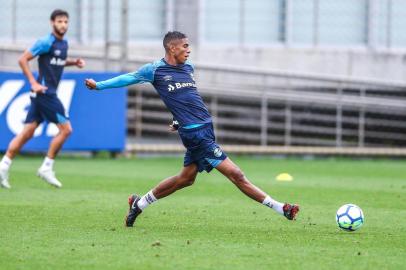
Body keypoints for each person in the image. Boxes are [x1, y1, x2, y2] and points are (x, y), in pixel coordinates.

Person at [84, 31, 299, 227]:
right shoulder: (155, 70)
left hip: (205, 128)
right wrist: (99, 85)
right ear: (172, 48)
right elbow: (128, 78)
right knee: (236, 174)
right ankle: (282, 209)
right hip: (196, 135)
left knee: (185, 179)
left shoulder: (189, 68)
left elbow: (185, 99)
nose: (188, 50)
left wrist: (178, 120)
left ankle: (138, 204)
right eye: (185, 46)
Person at [0, 9, 85, 189]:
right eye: (60, 21)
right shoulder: (46, 41)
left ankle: (3, 167)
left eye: (65, 22)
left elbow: (58, 59)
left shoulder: (63, 43)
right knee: (66, 129)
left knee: (27, 132)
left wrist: (73, 62)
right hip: (45, 93)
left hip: (43, 95)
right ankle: (46, 167)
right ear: (52, 23)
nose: (63, 25)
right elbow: (23, 59)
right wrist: (33, 82)